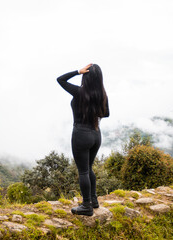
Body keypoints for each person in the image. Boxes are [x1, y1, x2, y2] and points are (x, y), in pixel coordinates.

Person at [57, 64, 109, 216]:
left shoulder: (79, 92)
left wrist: (77, 71)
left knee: (83, 171)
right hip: (96, 134)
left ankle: (87, 206)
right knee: (89, 168)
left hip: (81, 134)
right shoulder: (102, 95)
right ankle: (93, 200)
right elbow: (106, 114)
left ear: (86, 76)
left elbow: (60, 80)